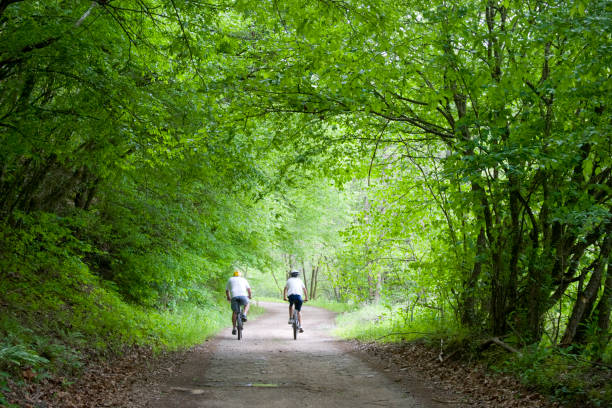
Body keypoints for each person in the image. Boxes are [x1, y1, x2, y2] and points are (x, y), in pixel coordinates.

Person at [225, 270, 252, 335]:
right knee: (247, 303)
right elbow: (249, 289)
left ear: (233, 275)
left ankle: (234, 328)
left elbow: (227, 290)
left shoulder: (230, 279)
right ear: (240, 275)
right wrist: (250, 296)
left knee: (235, 312)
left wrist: (228, 297)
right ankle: (244, 314)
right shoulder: (243, 279)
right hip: (243, 296)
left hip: (234, 296)